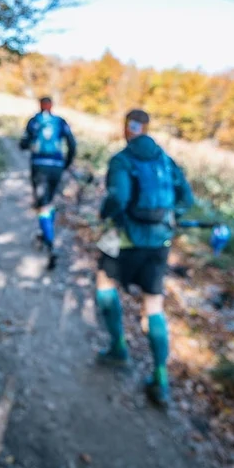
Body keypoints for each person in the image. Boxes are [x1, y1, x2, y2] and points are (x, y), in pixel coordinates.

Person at [94, 109, 193, 407]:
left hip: (121, 236)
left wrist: (105, 214)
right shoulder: (166, 160)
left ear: (127, 128)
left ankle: (117, 347)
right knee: (153, 304)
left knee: (103, 282)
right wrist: (171, 217)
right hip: (161, 240)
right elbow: (187, 199)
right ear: (147, 129)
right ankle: (161, 379)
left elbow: (118, 199)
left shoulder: (121, 160)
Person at [18, 96, 77, 268]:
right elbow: (72, 145)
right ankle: (46, 233)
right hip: (57, 167)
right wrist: (65, 163)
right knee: (49, 202)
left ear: (40, 105)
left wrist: (27, 145)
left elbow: (24, 143)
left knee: (42, 204)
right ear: (52, 106)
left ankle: (50, 243)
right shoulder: (60, 122)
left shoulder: (34, 121)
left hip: (40, 166)